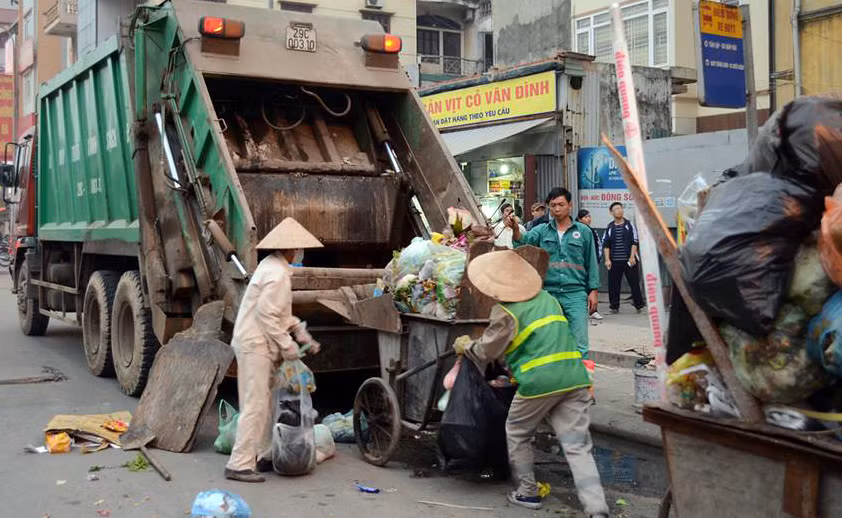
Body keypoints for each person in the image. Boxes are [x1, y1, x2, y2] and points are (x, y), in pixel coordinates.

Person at [455, 250, 609, 516]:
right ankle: (597, 509)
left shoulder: (505, 312)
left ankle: (527, 492)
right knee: (577, 446)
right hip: (574, 378)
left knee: (517, 432)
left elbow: (486, 352)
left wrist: (466, 345)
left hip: (539, 383)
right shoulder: (548, 299)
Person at [225, 217, 324, 483]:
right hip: (255, 345)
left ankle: (264, 454)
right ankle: (239, 464)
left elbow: (280, 314)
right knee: (255, 405)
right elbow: (267, 314)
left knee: (267, 404)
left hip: (257, 343)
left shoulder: (272, 267)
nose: (301, 254)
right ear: (292, 250)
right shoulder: (277, 273)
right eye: (299, 250)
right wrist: (288, 344)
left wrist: (300, 331)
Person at [507, 187, 600, 357]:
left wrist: (593, 290)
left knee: (579, 343)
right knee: (548, 340)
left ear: (570, 205)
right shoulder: (542, 231)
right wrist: (515, 229)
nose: (557, 209)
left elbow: (591, 262)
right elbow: (523, 244)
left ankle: (581, 381)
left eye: (561, 205)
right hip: (548, 295)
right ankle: (557, 381)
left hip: (575, 294)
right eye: (553, 205)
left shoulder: (583, 232)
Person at [602, 202, 645, 314]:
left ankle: (639, 305)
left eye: (620, 208)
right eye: (616, 209)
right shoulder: (610, 227)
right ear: (611, 212)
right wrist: (607, 259)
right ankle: (614, 307)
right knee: (614, 285)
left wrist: (632, 257)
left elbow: (634, 241)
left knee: (634, 283)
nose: (619, 210)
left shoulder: (629, 225)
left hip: (629, 260)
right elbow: (606, 245)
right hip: (615, 261)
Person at [576, 209, 603, 321]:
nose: (589, 219)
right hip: (578, 266)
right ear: (579, 219)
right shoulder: (575, 230)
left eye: (589, 216)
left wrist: (596, 260)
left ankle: (593, 310)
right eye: (586, 217)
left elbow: (598, 246)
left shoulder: (592, 231)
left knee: (592, 287)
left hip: (591, 264)